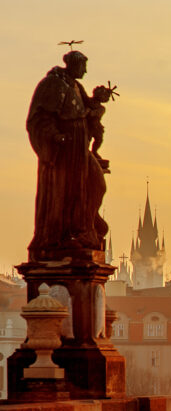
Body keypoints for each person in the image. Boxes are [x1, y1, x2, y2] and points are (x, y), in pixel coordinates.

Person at [26, 50, 109, 259]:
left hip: (80, 150)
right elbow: (39, 119)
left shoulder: (75, 86)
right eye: (83, 66)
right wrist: (54, 137)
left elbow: (89, 109)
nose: (86, 71)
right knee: (63, 193)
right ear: (73, 64)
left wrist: (99, 100)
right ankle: (59, 238)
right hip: (63, 153)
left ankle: (84, 229)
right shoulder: (53, 84)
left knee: (96, 184)